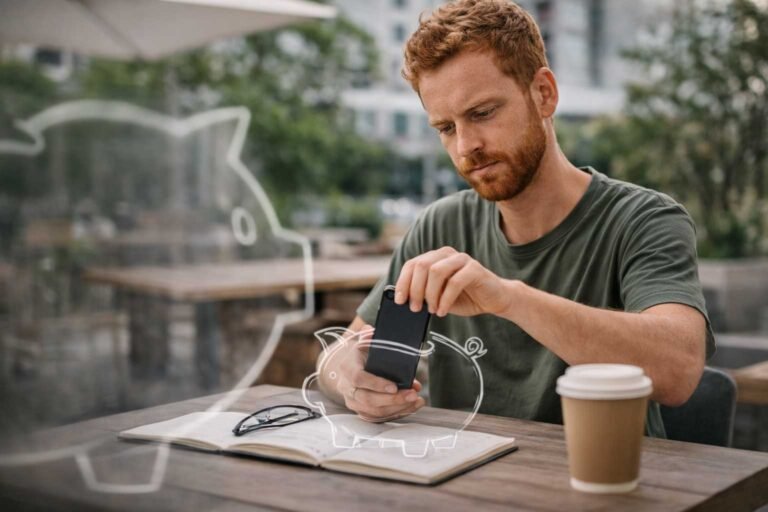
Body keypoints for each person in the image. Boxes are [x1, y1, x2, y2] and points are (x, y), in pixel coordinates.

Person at [316, 0, 713, 437]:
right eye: (446, 128)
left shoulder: (643, 220)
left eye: (482, 113)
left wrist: (507, 298)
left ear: (543, 94)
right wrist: (350, 382)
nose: (465, 146)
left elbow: (679, 370)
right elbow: (338, 354)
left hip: (597, 472)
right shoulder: (440, 226)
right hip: (457, 473)